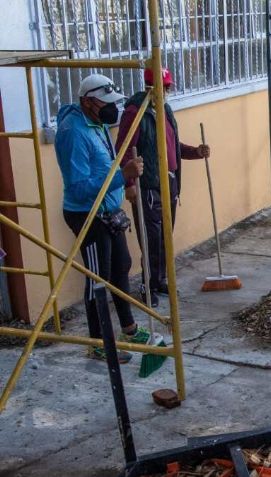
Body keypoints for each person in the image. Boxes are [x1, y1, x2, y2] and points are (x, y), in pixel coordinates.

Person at [55, 74, 148, 363]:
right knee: (98, 278)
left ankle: (128, 327)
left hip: (107, 210)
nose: (112, 109)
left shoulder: (97, 124)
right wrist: (124, 176)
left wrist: (126, 182)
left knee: (121, 266)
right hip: (87, 214)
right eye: (105, 103)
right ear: (86, 101)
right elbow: (80, 187)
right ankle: (98, 342)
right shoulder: (73, 132)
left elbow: (104, 168)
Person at [117, 68, 211, 307]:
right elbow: (125, 149)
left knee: (164, 238)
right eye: (165, 87)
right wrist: (129, 185)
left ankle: (159, 281)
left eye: (169, 87)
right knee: (151, 238)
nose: (169, 91)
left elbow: (171, 145)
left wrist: (195, 152)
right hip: (148, 185)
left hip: (168, 183)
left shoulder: (164, 110)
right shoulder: (134, 113)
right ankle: (147, 285)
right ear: (152, 88)